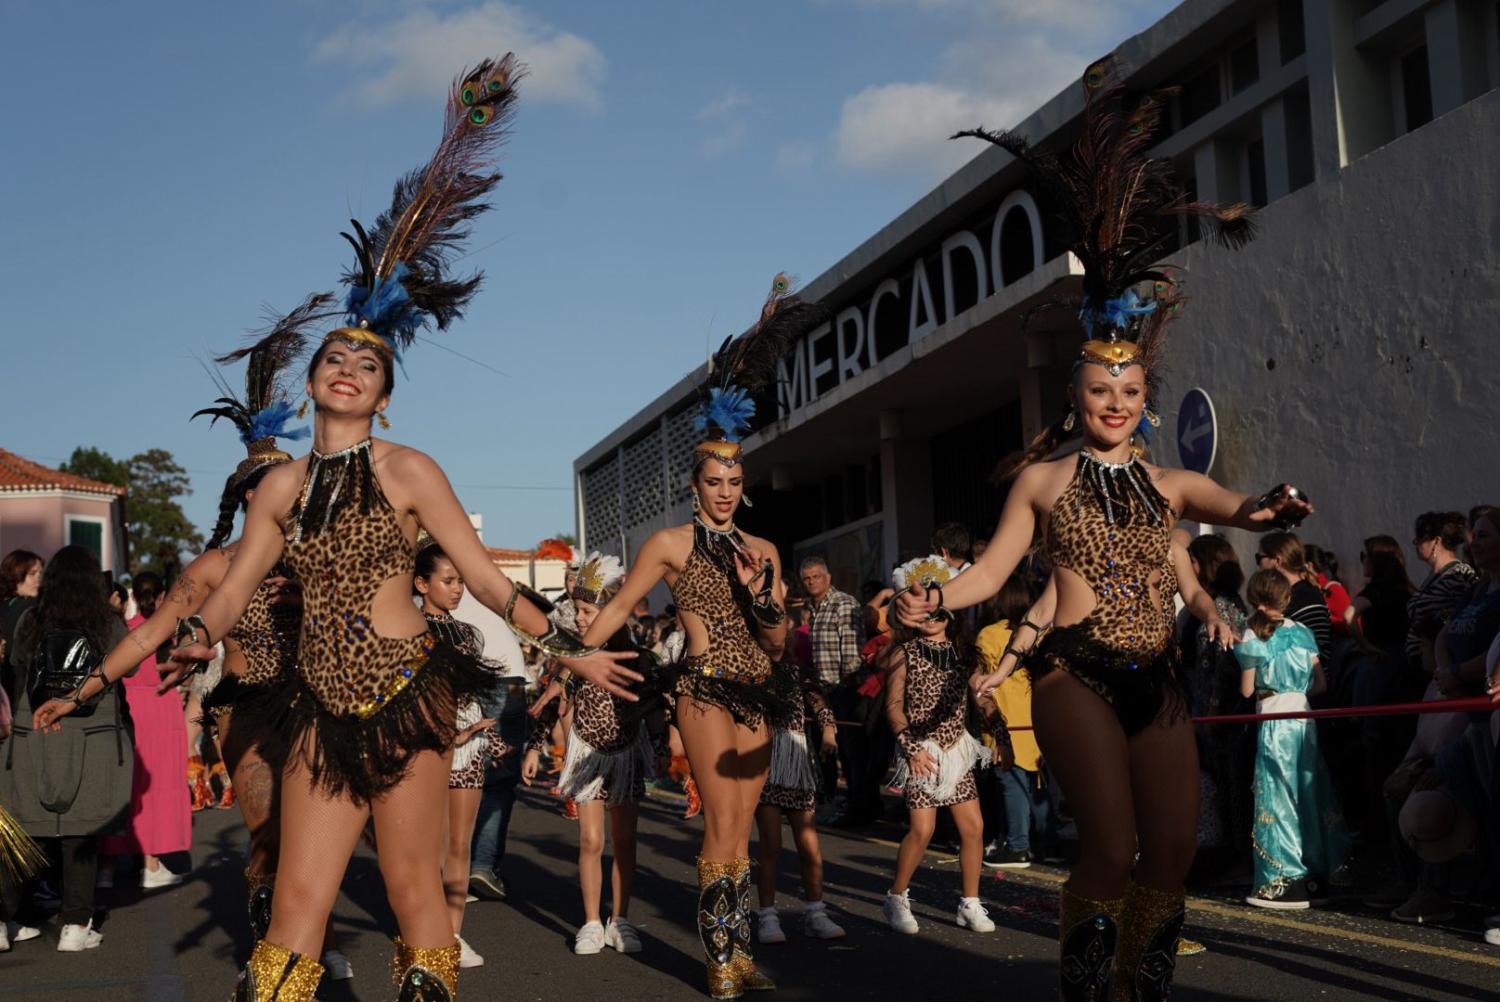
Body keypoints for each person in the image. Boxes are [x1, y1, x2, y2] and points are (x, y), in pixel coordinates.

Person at [107, 57, 636, 1000]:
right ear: (313, 381)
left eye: (366, 362)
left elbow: (482, 579)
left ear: (384, 397)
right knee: (296, 903)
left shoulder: (408, 470)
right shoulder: (280, 488)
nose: (347, 367)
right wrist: (194, 638)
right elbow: (232, 592)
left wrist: (570, 648)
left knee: (414, 890)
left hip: (403, 700)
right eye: (334, 357)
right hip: (315, 711)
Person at [905, 58, 1308, 999]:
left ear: (1143, 396)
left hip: (1155, 678)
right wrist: (931, 596)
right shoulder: (1043, 479)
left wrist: (1273, 507)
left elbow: (1238, 507)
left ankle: (1143, 988)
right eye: (1099, 390)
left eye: (1129, 390)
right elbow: (992, 572)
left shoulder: (1171, 484)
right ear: (1076, 395)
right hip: (1072, 673)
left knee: (1171, 850)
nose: (1116, 402)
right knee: (1112, 845)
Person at [576, 274, 822, 999]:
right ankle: (720, 961)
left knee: (745, 824)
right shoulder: (671, 545)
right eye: (713, 479)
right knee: (720, 819)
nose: (724, 488)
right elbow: (620, 608)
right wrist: (575, 655)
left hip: (760, 688)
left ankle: (737, 947)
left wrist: (764, 603)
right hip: (704, 687)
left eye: (734, 478)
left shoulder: (767, 552)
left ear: (743, 484)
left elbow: (778, 645)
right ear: (694, 485)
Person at [523, 552, 663, 958]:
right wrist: (534, 746)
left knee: (624, 839)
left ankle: (620, 919)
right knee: (590, 838)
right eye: (579, 611)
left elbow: (654, 704)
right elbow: (552, 699)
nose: (581, 619)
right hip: (586, 752)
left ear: (612, 610)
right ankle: (589, 922)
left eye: (588, 610)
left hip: (626, 753)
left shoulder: (638, 656)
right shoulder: (574, 657)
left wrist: (663, 746)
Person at [1, 546, 131, 952]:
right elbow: (133, 665)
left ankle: (1, 919)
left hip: (34, 727)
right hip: (92, 733)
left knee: (24, 830)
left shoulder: (28, 622)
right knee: (81, 831)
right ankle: (75, 924)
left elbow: (18, 670)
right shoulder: (107, 625)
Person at [883, 556, 997, 936]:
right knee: (922, 830)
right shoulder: (905, 653)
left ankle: (970, 903)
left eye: (939, 612)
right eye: (926, 615)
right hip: (922, 752)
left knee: (973, 828)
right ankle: (897, 896)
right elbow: (894, 708)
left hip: (956, 750)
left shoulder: (964, 655)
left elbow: (981, 697)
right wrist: (910, 748)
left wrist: (993, 714)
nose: (933, 619)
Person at [414, 543, 508, 970]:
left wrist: (484, 731)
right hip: (424, 743)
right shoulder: (409, 629)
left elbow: (477, 693)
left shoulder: (471, 634)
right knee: (428, 846)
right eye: (448, 581)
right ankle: (427, 933)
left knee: (459, 844)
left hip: (468, 744)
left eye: (460, 581)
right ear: (421, 583)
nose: (457, 589)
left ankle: (452, 935)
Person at [1235, 570, 1349, 910]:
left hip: (1273, 717)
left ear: (1256, 598)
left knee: (1278, 794)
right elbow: (1321, 685)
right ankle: (1319, 873)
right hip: (1304, 716)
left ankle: (1283, 878)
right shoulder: (1304, 632)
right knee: (1310, 794)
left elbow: (1245, 689)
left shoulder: (1252, 633)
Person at [100, 573, 191, 889]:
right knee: (155, 786)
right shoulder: (168, 634)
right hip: (159, 708)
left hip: (128, 709)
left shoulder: (125, 630)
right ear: (162, 595)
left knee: (127, 786)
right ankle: (151, 864)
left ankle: (107, 867)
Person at [753, 653, 844, 945]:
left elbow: (817, 700)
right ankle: (767, 915)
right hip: (764, 763)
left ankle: (816, 913)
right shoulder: (749, 666)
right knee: (771, 844)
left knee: (809, 846)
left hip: (795, 764)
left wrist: (828, 729)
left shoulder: (795, 670)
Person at [1184, 535, 1252, 870]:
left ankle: (1227, 859)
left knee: (1227, 788)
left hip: (1218, 716)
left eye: (1192, 560)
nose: (1188, 567)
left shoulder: (1222, 608)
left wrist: (1210, 717)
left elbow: (1221, 669)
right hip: (1208, 713)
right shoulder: (1214, 603)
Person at [975, 573, 1049, 869]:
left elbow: (982, 686)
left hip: (1006, 720)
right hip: (1038, 718)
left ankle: (1018, 845)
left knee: (1010, 782)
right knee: (1037, 783)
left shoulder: (989, 635)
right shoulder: (1041, 633)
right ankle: (1047, 844)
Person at [1406, 512, 1477, 680]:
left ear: (1436, 541)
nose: (1416, 544)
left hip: (1438, 664)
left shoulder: (1458, 574)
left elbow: (1465, 615)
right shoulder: (1433, 577)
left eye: (1420, 539)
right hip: (1422, 663)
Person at [1254, 533, 1333, 663]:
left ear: (1277, 561)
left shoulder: (1305, 598)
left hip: (1306, 681)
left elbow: (1318, 655)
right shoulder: (1293, 594)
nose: (1258, 566)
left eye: (1259, 558)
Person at [0, 549, 43, 706]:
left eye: (40, 573)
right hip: (14, 689)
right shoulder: (30, 607)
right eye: (32, 574)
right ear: (15, 576)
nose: (38, 578)